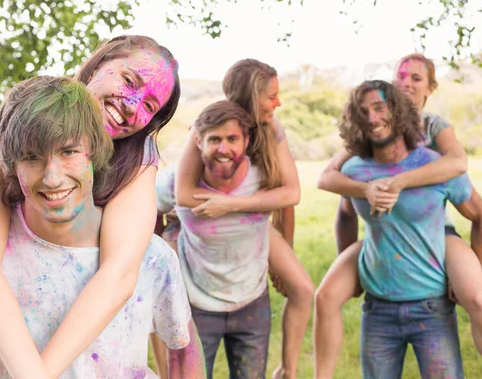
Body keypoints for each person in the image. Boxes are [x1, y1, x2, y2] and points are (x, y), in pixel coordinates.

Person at [0, 76, 205, 378]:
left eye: (68, 152)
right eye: (32, 157)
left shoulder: (151, 259)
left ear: (94, 151)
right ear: (10, 165)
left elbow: (181, 351)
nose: (52, 178)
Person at [0, 35, 181, 377]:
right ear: (96, 65)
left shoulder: (137, 158)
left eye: (149, 106)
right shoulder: (1, 134)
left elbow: (117, 273)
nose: (133, 105)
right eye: (129, 80)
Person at [314, 54, 482, 378]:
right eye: (402, 77)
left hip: (438, 239)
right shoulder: (357, 163)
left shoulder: (436, 135)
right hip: (380, 299)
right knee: (325, 296)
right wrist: (365, 190)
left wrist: (399, 182)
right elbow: (338, 196)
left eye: (417, 78)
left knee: (476, 294)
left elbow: (459, 164)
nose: (373, 117)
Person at [174, 59, 313, 379]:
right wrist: (224, 206)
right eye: (271, 96)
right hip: (210, 222)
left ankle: (288, 369)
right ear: (252, 95)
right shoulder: (209, 125)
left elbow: (290, 194)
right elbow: (183, 193)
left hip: (252, 217)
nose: (277, 103)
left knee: (303, 288)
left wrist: (235, 205)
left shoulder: (271, 127)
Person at [155, 100, 273, 379]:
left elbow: (289, 200)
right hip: (195, 307)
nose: (224, 149)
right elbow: (147, 213)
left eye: (232, 139)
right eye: (214, 139)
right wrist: (160, 255)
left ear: (246, 140)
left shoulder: (262, 177)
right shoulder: (173, 181)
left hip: (252, 303)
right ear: (198, 141)